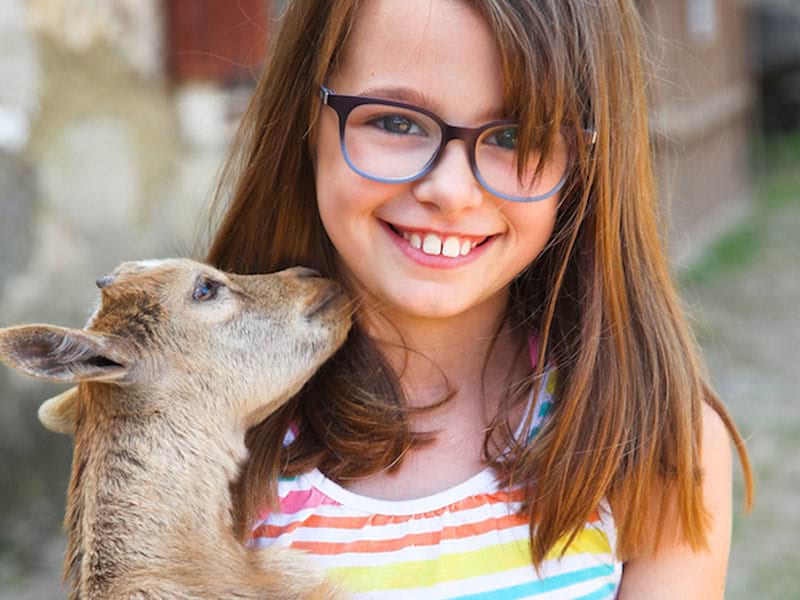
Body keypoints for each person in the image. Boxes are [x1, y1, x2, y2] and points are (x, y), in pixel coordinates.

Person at [206, 0, 753, 597]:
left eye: (517, 135)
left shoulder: (654, 441)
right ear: (305, 119)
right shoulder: (195, 438)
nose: (450, 189)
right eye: (395, 121)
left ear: (588, 165)